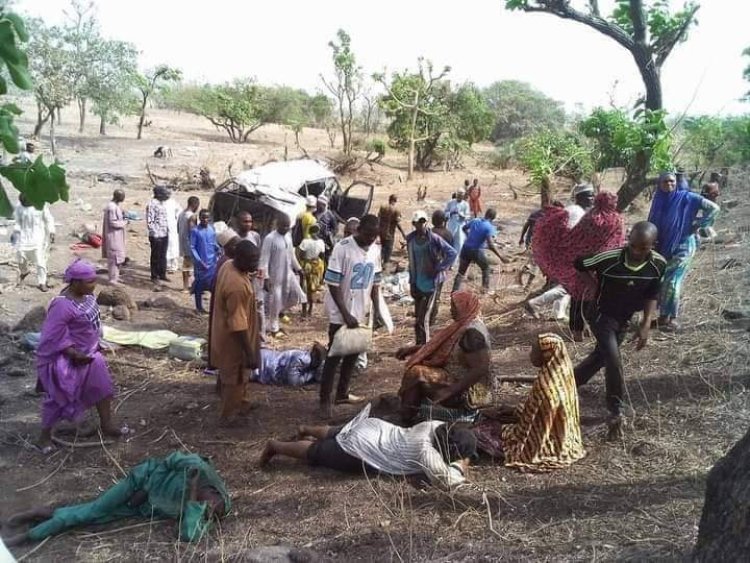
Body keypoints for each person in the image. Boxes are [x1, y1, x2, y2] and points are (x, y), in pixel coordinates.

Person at [3, 452, 230, 546]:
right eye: (201, 502)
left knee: (93, 517)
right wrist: (145, 487)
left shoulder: (209, 509)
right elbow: (168, 461)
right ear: (211, 491)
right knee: (92, 512)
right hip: (140, 482)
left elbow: (189, 535)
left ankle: (41, 515)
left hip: (143, 508)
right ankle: (28, 534)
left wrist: (191, 494)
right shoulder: (199, 468)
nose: (199, 507)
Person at [573, 221, 666, 438]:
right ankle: (615, 409)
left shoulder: (658, 265)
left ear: (653, 245)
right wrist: (594, 286)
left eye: (643, 248)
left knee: (601, 356)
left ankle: (568, 381)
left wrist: (645, 325)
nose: (635, 251)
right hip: (600, 313)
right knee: (613, 359)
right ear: (628, 241)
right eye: (632, 245)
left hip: (623, 319)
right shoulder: (609, 258)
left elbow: (652, 294)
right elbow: (579, 264)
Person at [259, 403, 477, 490]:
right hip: (364, 449)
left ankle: (306, 427)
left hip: (377, 428)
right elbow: (447, 480)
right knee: (317, 451)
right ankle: (276, 446)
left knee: (338, 431)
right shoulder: (426, 451)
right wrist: (461, 465)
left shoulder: (435, 425)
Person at [35, 260, 121, 452]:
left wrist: (98, 343)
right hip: (70, 360)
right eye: (89, 281)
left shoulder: (88, 297)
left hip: (91, 355)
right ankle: (44, 437)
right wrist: (73, 352)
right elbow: (52, 336)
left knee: (103, 389)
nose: (94, 284)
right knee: (59, 398)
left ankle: (107, 425)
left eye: (94, 280)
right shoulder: (62, 306)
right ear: (75, 283)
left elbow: (92, 324)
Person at [474, 334, 586, 470]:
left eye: (534, 351)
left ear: (546, 354)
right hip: (563, 437)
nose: (530, 355)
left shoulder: (547, 386)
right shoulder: (562, 375)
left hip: (543, 441)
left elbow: (534, 422)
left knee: (481, 430)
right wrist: (514, 410)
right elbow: (539, 413)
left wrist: (510, 414)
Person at [532, 191, 625, 341]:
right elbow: (618, 243)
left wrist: (562, 246)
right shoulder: (617, 219)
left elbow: (576, 237)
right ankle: (595, 328)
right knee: (598, 298)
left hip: (584, 264)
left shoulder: (590, 217)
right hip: (605, 265)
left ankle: (577, 332)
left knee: (578, 297)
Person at [319, 214, 382, 418]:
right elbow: (333, 283)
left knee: (353, 353)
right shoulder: (343, 248)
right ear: (359, 229)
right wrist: (345, 313)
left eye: (375, 236)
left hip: (361, 312)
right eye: (368, 234)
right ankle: (324, 400)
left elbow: (375, 282)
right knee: (334, 356)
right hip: (342, 313)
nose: (371, 239)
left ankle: (342, 393)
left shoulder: (375, 250)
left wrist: (378, 309)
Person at [397, 291, 492, 424]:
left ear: (464, 307)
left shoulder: (472, 333)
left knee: (416, 373)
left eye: (455, 307)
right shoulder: (464, 324)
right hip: (456, 375)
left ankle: (407, 417)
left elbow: (480, 368)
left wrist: (451, 390)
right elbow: (442, 347)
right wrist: (412, 350)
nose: (451, 310)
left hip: (470, 388)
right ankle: (411, 412)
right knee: (420, 372)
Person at [648, 172, 720, 332]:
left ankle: (671, 318)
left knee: (673, 281)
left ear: (676, 182)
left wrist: (698, 224)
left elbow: (714, 208)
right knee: (663, 281)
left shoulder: (687, 197)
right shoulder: (659, 200)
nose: (669, 185)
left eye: (672, 181)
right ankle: (662, 317)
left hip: (684, 245)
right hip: (663, 247)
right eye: (665, 182)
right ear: (659, 184)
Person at [211, 241, 262, 426]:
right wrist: (249, 353)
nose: (255, 264)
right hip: (234, 341)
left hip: (223, 331)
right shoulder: (237, 286)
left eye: (257, 260)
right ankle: (228, 416)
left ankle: (241, 403)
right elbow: (238, 324)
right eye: (252, 261)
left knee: (235, 376)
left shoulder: (228, 266)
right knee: (235, 377)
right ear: (239, 258)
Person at [406, 210, 457, 344]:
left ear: (427, 222)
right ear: (414, 224)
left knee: (424, 320)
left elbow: (452, 252)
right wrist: (411, 283)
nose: (421, 225)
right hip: (417, 283)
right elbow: (411, 264)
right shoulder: (411, 240)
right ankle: (419, 346)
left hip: (431, 283)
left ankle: (425, 347)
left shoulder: (433, 238)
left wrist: (440, 268)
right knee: (417, 320)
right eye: (419, 222)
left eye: (423, 221)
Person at [260, 215, 306, 337]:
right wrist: (265, 277)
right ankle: (274, 329)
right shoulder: (270, 239)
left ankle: (280, 312)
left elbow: (291, 255)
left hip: (288, 273)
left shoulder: (288, 237)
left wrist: (299, 269)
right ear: (277, 225)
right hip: (275, 276)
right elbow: (264, 260)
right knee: (275, 301)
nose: (286, 228)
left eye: (287, 226)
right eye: (283, 226)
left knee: (297, 295)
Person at [452, 208, 507, 293]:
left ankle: (454, 291)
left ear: (485, 214)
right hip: (475, 250)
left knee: (461, 272)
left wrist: (469, 236)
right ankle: (484, 290)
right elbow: (491, 244)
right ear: (493, 218)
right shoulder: (489, 227)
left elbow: (464, 228)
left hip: (465, 248)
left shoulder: (475, 220)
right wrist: (500, 256)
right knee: (486, 268)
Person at [12, 194, 55, 292]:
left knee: (40, 262)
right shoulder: (19, 206)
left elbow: (48, 219)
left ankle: (42, 282)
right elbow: (17, 221)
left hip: (38, 237)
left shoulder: (41, 205)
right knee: (20, 259)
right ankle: (24, 271)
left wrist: (52, 231)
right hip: (23, 237)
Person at [252, 343, 327, 386]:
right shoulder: (302, 360)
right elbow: (293, 381)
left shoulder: (304, 358)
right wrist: (312, 375)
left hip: (264, 361)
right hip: (263, 364)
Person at [190, 210, 219, 313]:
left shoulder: (211, 230)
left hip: (212, 262)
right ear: (200, 218)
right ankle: (199, 307)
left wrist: (218, 249)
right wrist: (199, 261)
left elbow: (213, 243)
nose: (205, 220)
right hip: (201, 264)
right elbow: (192, 247)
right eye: (203, 217)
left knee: (212, 285)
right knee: (199, 285)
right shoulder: (195, 231)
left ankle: (213, 308)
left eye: (207, 218)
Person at [298, 224, 326, 319]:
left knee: (304, 289)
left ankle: (304, 311)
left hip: (307, 266)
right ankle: (310, 309)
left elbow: (301, 255)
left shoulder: (305, 242)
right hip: (317, 266)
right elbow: (322, 256)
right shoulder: (321, 242)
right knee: (312, 289)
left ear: (309, 232)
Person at [101, 189, 128, 285]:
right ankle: (112, 279)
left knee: (118, 257)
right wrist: (124, 223)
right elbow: (113, 223)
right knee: (114, 258)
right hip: (113, 237)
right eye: (122, 196)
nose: (123, 198)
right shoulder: (112, 208)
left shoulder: (114, 206)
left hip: (117, 236)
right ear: (118, 197)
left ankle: (116, 277)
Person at [146, 186, 170, 283]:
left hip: (164, 233)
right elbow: (150, 221)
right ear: (159, 194)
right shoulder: (152, 205)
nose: (166, 196)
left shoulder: (162, 203)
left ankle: (162, 274)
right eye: (164, 193)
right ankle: (154, 276)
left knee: (163, 255)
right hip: (156, 235)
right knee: (155, 256)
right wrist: (155, 234)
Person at [177, 196, 200, 291]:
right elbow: (193, 230)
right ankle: (187, 287)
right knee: (188, 265)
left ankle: (188, 285)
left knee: (187, 264)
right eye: (197, 206)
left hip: (182, 241)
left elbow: (178, 228)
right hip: (190, 244)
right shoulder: (192, 216)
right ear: (194, 205)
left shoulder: (182, 213)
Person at [378, 194, 406, 265]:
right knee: (388, 252)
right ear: (395, 200)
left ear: (389, 199)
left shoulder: (383, 207)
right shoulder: (396, 210)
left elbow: (379, 218)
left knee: (382, 250)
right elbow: (398, 223)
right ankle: (385, 267)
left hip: (381, 233)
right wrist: (403, 233)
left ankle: (379, 264)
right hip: (389, 235)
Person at [445, 189, 470, 255]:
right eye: (458, 195)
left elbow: (468, 216)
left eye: (461, 196)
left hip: (460, 226)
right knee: (450, 241)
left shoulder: (465, 204)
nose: (459, 197)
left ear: (463, 196)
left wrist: (463, 216)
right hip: (452, 225)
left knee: (459, 243)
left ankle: (456, 259)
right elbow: (445, 213)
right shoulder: (451, 202)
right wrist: (451, 213)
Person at [163, 190, 182, 273]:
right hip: (163, 228)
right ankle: (166, 265)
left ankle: (174, 266)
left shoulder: (173, 202)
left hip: (173, 227)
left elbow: (179, 212)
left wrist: (177, 221)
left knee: (173, 247)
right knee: (165, 247)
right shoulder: (159, 203)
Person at [315, 195, 338, 262]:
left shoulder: (329, 215)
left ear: (324, 205)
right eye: (317, 204)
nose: (318, 206)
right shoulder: (314, 212)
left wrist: (330, 234)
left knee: (324, 259)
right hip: (315, 240)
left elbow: (335, 228)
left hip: (325, 242)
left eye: (320, 204)